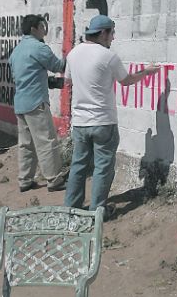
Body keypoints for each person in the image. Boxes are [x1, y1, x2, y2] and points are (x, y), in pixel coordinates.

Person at [63, 14, 159, 220]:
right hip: (103, 122)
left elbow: (68, 80)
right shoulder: (108, 56)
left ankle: (71, 209)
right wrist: (147, 72)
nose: (113, 37)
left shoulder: (73, 53)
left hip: (80, 123)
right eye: (112, 33)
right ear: (103, 33)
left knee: (78, 166)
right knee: (102, 168)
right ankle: (97, 212)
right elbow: (126, 81)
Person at [9, 16, 68, 192]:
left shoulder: (16, 51)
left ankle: (25, 180)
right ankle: (54, 180)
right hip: (36, 102)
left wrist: (44, 80)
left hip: (20, 103)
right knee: (46, 142)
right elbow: (58, 66)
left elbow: (23, 76)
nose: (44, 29)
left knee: (26, 144)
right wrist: (72, 54)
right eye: (42, 26)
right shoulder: (39, 47)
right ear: (34, 29)